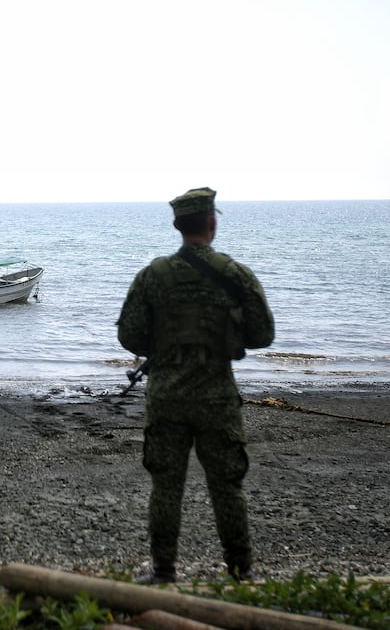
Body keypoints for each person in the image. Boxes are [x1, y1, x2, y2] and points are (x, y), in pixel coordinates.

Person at [116, 187, 274, 584]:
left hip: (166, 396)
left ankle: (164, 570)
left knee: (166, 485)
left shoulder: (153, 276)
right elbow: (262, 334)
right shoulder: (235, 274)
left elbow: (130, 336)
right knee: (227, 486)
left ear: (176, 225)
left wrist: (163, 343)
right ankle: (241, 571)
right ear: (211, 222)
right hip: (217, 397)